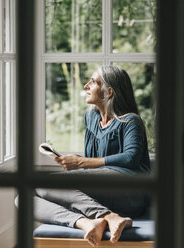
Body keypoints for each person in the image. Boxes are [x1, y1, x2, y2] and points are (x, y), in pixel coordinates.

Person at [33, 65, 151, 246]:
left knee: (45, 183)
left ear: (109, 91)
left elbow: (131, 157)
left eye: (93, 82)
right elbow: (93, 164)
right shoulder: (91, 117)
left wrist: (80, 162)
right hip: (102, 192)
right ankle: (89, 222)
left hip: (131, 192)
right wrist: (76, 163)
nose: (86, 85)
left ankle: (108, 216)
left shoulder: (130, 121)